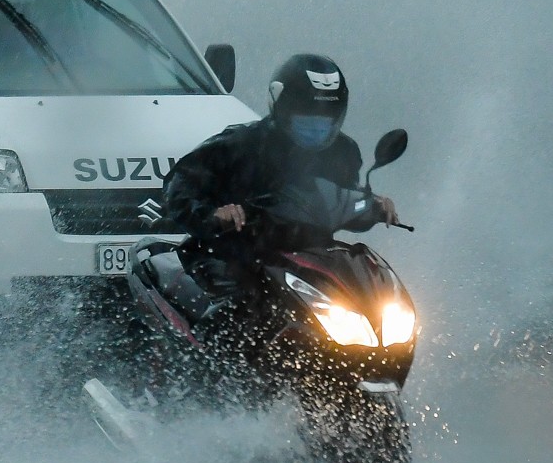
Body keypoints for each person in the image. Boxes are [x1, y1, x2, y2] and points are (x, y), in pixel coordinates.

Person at [160, 53, 398, 304]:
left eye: (326, 120)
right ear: (280, 108)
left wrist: (372, 206)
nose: (317, 127)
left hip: (306, 263)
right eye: (306, 118)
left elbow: (337, 204)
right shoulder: (239, 144)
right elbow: (179, 184)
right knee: (234, 312)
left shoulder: (344, 153)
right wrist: (213, 215)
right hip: (229, 256)